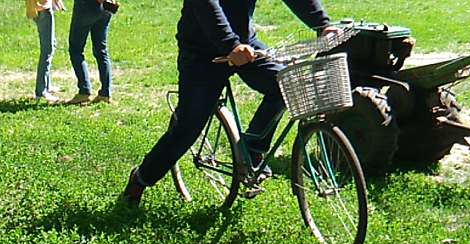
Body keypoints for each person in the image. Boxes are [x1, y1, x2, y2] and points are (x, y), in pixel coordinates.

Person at [120, 0, 337, 205]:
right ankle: (141, 179)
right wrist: (230, 44)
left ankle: (252, 151)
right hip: (202, 52)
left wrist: (322, 24)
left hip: (244, 45)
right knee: (188, 127)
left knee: (286, 85)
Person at [67, 0, 114, 104]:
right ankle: (105, 93)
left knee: (76, 50)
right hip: (106, 6)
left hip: (86, 6)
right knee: (101, 51)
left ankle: (84, 90)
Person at [27, 0, 65, 103]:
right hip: (43, 9)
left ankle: (47, 85)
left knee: (51, 46)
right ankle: (41, 91)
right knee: (47, 50)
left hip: (43, 8)